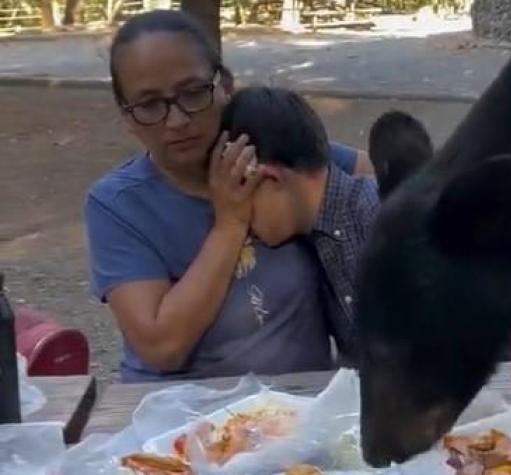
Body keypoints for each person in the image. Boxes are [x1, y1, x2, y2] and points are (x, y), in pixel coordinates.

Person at [84, 9, 372, 382]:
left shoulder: (273, 153)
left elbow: (390, 183)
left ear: (226, 86)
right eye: (149, 105)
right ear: (126, 117)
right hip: (178, 419)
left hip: (302, 410)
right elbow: (161, 347)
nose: (177, 120)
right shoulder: (118, 205)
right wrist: (229, 225)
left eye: (193, 93)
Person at [222, 86, 379, 362]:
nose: (242, 221)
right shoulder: (313, 236)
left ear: (269, 178)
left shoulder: (377, 216)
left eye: (240, 197)